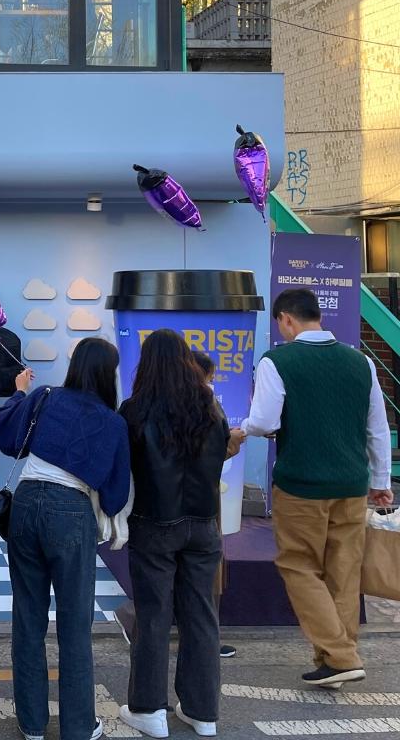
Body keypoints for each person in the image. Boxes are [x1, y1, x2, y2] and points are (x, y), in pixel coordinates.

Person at [231, 288, 394, 689]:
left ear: (286, 319)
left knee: (298, 565)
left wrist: (242, 429)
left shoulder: (278, 360)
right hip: (352, 485)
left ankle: (340, 655)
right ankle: (333, 659)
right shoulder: (362, 362)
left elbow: (265, 421)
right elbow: (377, 428)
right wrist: (381, 482)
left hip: (301, 485)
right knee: (343, 572)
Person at [0, 338, 131, 740]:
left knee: (28, 618)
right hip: (71, 512)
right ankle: (79, 725)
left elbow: (4, 434)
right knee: (74, 624)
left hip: (27, 501)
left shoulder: (45, 397)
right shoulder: (113, 422)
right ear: (109, 373)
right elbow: (117, 495)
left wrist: (18, 393)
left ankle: (32, 724)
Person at [116, 330, 230, 739]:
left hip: (153, 524)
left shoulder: (135, 409)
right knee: (202, 616)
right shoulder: (210, 408)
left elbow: (122, 469)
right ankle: (203, 712)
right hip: (203, 525)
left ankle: (150, 710)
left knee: (154, 616)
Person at [192, 350, 238, 661]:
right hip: (203, 500)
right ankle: (206, 639)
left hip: (163, 504)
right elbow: (218, 449)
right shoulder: (206, 404)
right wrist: (233, 439)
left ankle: (138, 624)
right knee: (207, 570)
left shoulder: (147, 401)